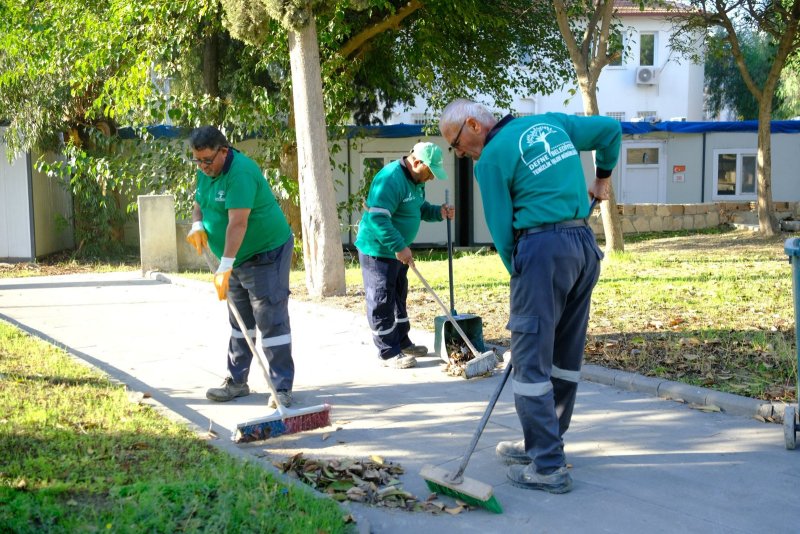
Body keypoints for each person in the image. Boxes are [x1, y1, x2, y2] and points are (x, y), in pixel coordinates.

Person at [439, 99, 620, 493]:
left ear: (473, 125)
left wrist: (520, 276)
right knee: (564, 357)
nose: (460, 154)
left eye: (455, 144)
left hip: (541, 252)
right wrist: (601, 178)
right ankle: (544, 442)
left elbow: (502, 231)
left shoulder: (491, 160)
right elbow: (610, 131)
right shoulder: (552, 123)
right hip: (583, 246)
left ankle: (548, 466)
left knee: (530, 364)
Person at [185, 126, 295, 409]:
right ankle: (236, 382)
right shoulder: (206, 170)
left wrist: (225, 265)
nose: (202, 166)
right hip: (233, 257)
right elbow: (199, 202)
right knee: (240, 320)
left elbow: (238, 223)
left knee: (270, 318)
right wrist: (197, 224)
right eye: (197, 160)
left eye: (207, 160)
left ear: (223, 150)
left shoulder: (241, 173)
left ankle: (281, 387)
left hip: (265, 252)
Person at [354, 141, 455, 369]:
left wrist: (438, 212)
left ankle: (402, 341)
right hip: (378, 250)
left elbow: (417, 208)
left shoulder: (417, 181)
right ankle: (388, 351)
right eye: (430, 172)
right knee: (382, 298)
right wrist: (399, 246)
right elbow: (378, 218)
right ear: (417, 162)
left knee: (399, 295)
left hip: (398, 250)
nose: (431, 178)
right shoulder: (391, 178)